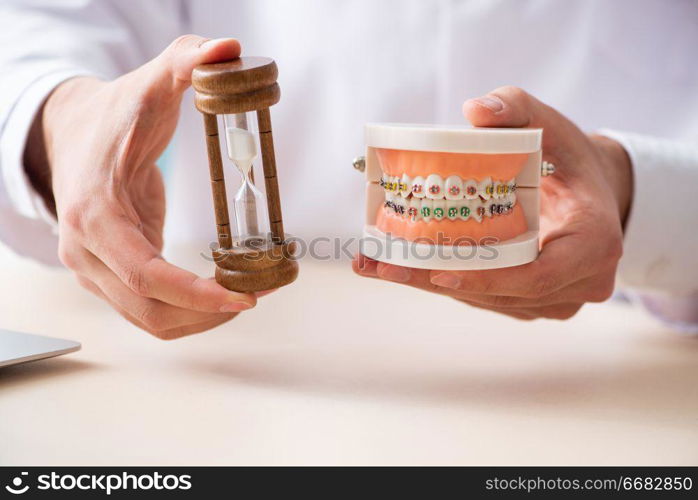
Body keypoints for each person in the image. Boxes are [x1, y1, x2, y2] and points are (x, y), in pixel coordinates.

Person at [0, 0, 696, 339]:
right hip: (280, 341)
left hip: (620, 344)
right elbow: (45, 19)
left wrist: (640, 190)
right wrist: (60, 116)